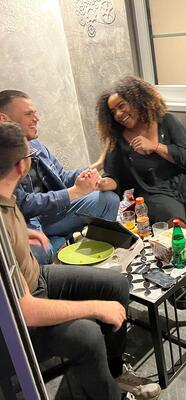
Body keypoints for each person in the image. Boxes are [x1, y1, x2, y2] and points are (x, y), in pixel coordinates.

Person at [0, 121, 161, 400]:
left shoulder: (6, 192)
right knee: (87, 335)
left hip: (37, 278)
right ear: (20, 166)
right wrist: (96, 307)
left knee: (116, 284)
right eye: (29, 155)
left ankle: (113, 374)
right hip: (14, 325)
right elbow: (25, 310)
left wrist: (22, 232)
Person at [95, 76, 186, 297]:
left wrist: (155, 146)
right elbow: (116, 177)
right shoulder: (119, 140)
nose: (118, 114)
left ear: (136, 99)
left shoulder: (166, 121)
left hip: (182, 177)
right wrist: (103, 183)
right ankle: (181, 277)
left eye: (121, 106)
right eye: (113, 111)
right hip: (152, 189)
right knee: (174, 219)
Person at [0, 90, 120, 265]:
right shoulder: (4, 158)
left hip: (53, 213)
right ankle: (56, 249)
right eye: (28, 114)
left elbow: (62, 177)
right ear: (3, 119)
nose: (36, 119)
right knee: (39, 253)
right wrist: (75, 192)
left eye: (35, 113)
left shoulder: (36, 146)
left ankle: (96, 255)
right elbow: (22, 204)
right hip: (25, 222)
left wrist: (92, 171)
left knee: (108, 199)